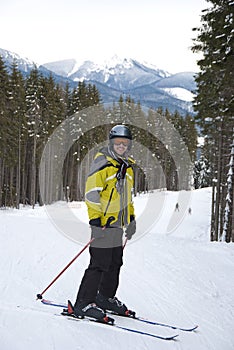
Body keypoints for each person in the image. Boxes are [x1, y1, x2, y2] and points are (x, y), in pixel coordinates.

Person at [70, 125, 136, 322]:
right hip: (103, 224)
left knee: (115, 262)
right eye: (118, 143)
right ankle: (83, 303)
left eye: (125, 143)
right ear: (111, 143)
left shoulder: (127, 168)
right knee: (99, 263)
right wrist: (96, 221)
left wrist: (131, 219)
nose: (121, 146)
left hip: (118, 224)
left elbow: (127, 198)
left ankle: (105, 297)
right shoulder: (102, 163)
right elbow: (91, 194)